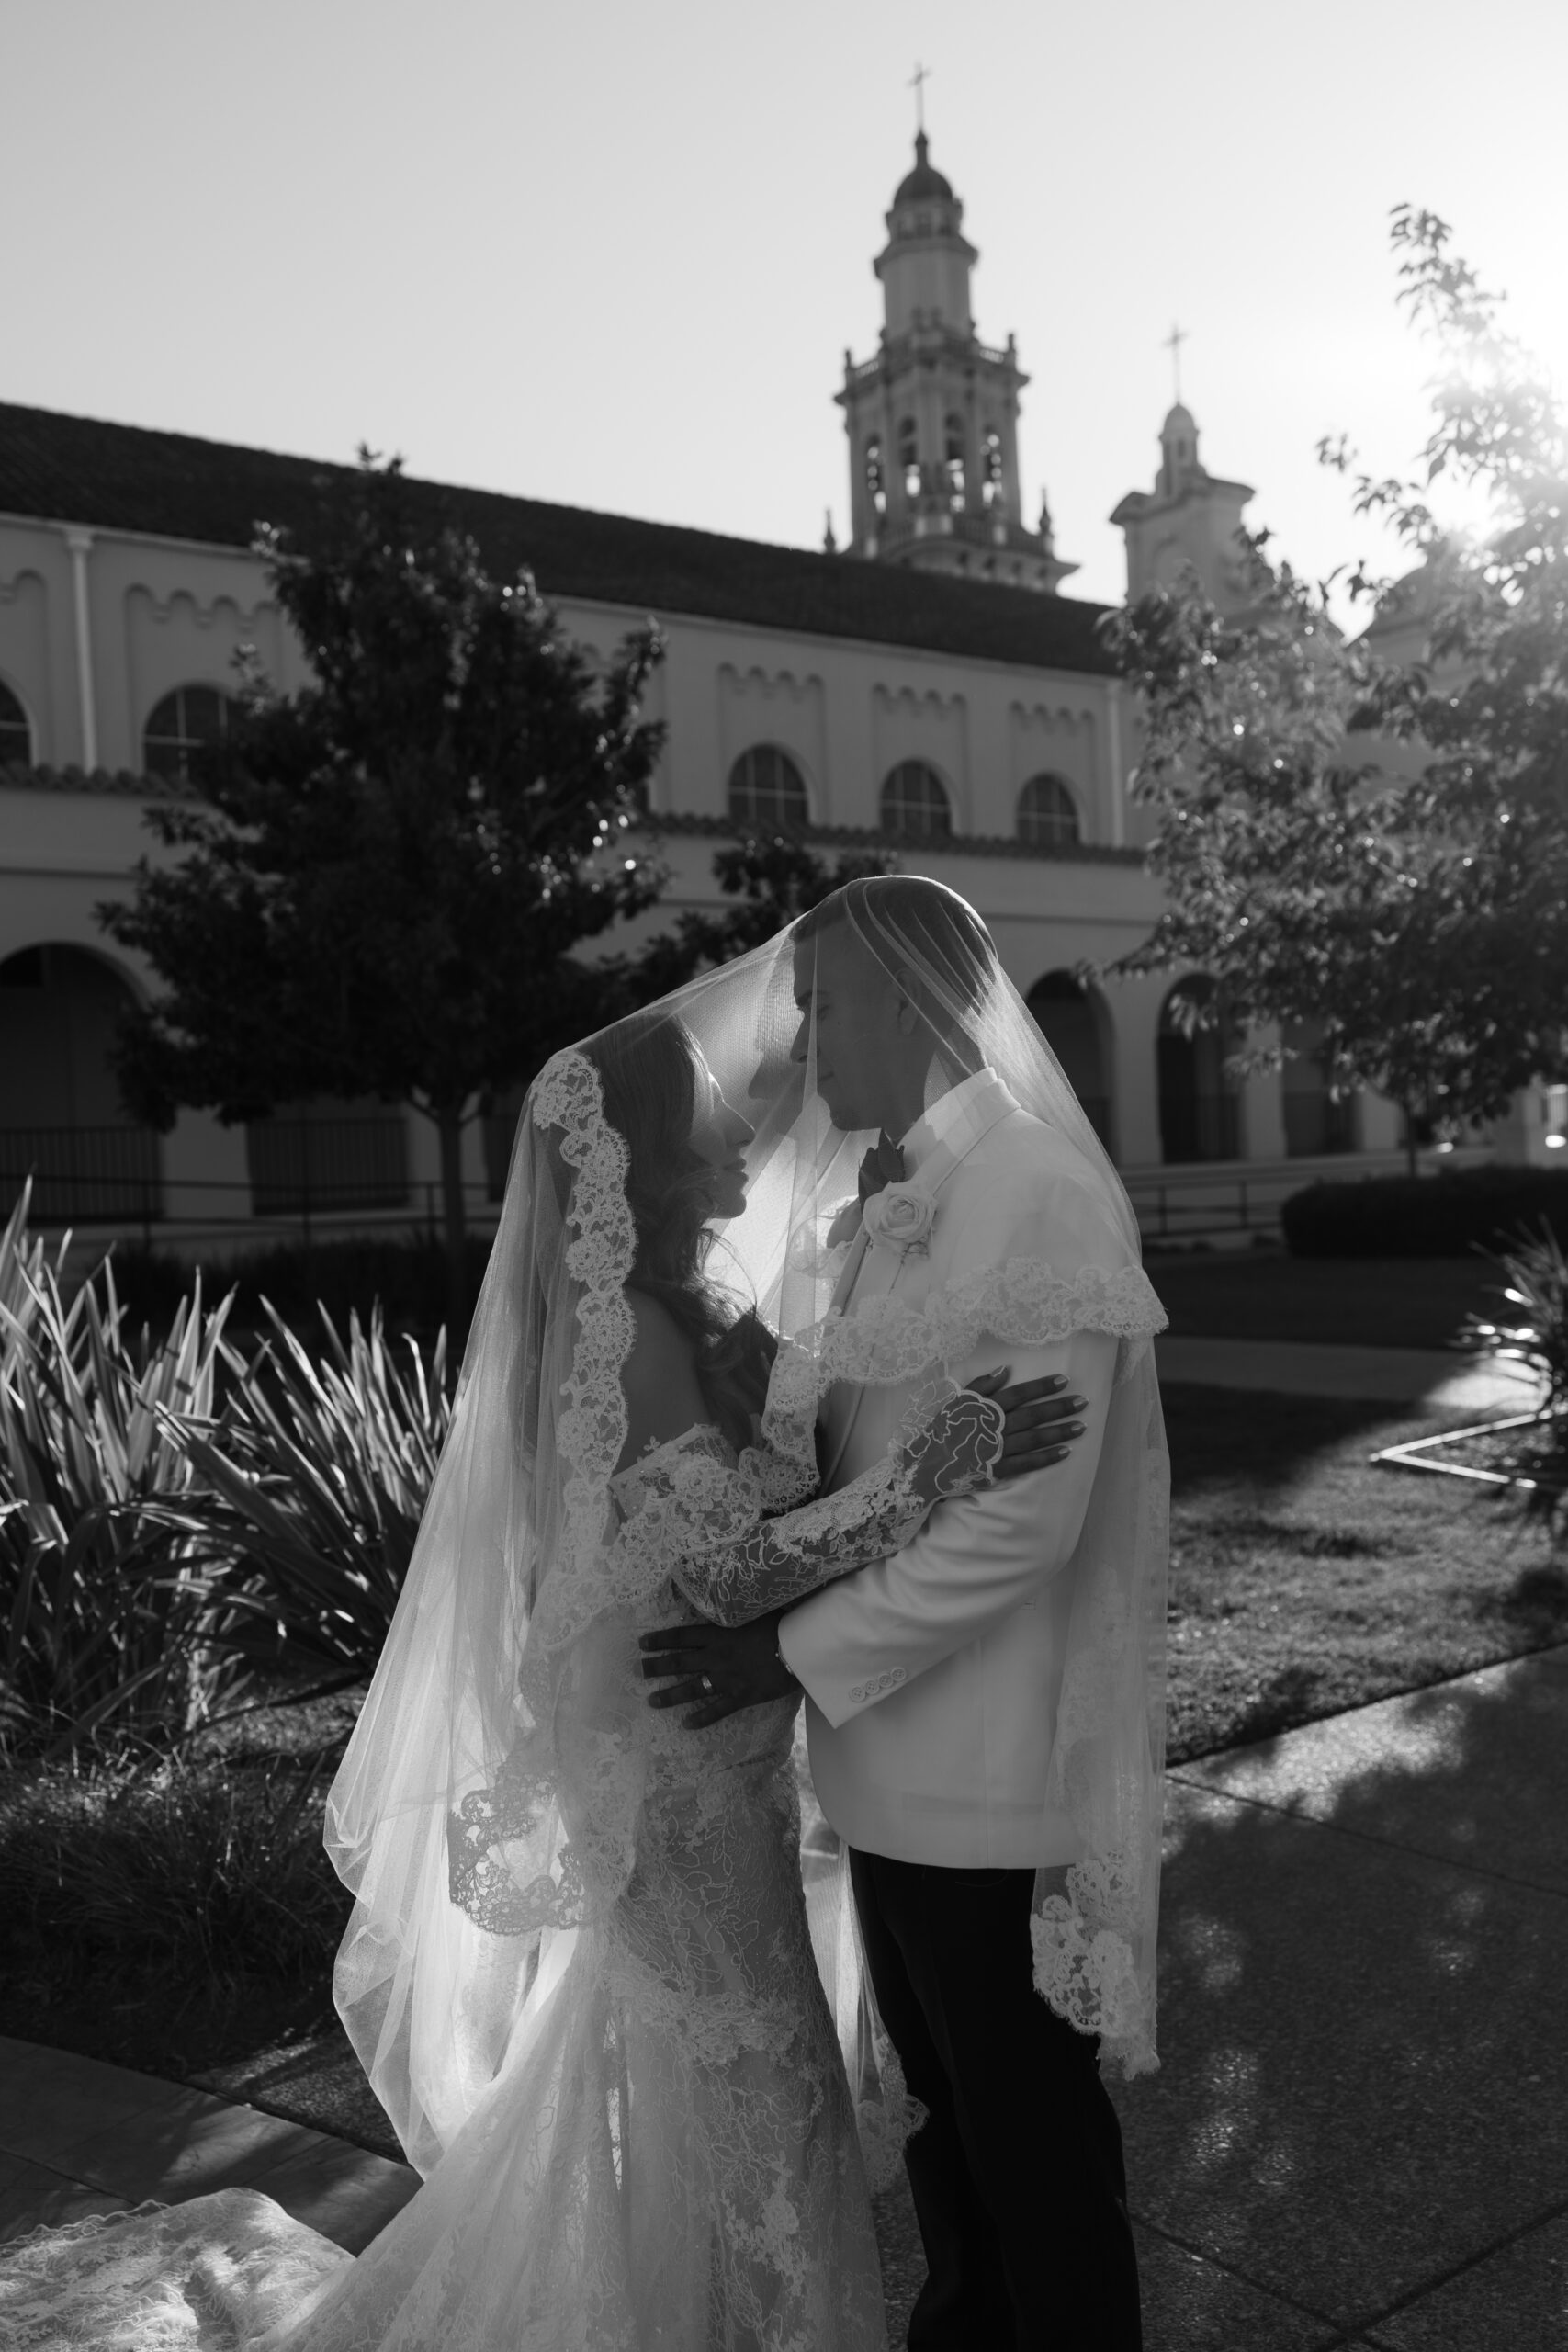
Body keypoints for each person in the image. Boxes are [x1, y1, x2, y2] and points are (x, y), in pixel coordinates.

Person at [0, 986, 1087, 2352]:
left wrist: (871, 1239)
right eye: (711, 1127)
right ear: (636, 1158)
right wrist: (931, 1472)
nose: (749, 1141)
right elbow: (733, 1577)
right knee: (754, 2062)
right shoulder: (621, 1337)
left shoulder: (687, 1303)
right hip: (680, 1767)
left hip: (712, 1754)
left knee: (737, 2060)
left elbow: (784, 1442)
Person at [641, 876, 1170, 2352]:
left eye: (824, 1004)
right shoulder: (875, 1206)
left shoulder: (1038, 1192)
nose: (804, 1042)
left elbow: (1021, 1526)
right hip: (885, 1776)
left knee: (1037, 2172)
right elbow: (846, 1458)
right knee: (949, 2155)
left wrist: (783, 1654)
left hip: (990, 1785)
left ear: (911, 999)